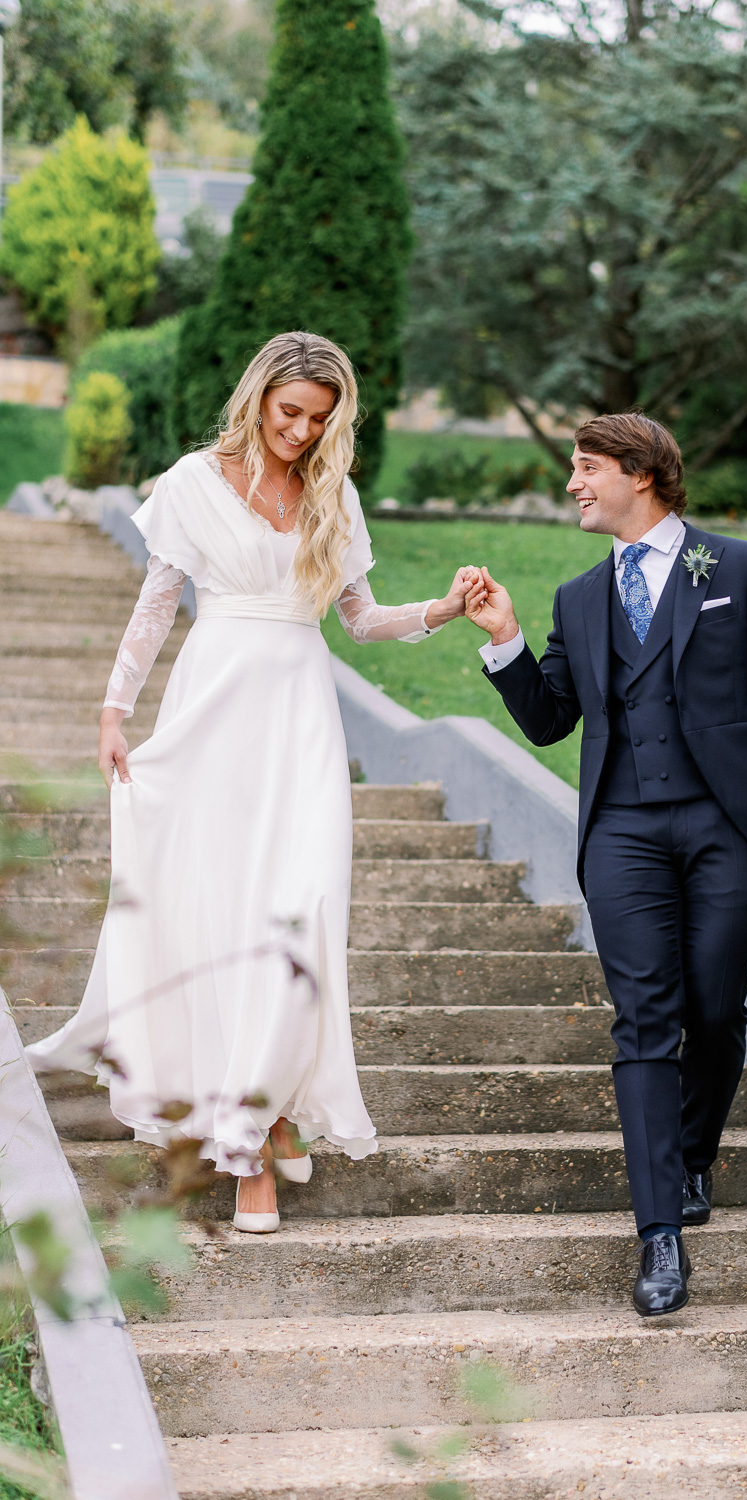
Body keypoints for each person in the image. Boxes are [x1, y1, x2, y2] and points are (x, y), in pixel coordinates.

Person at [27, 331, 478, 1234]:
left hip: (299, 718)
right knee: (216, 913)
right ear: (259, 397)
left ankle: (268, 1116)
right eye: (290, 413)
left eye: (319, 419)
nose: (303, 433)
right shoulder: (194, 481)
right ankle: (251, 1137)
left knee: (298, 916)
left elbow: (358, 618)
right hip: (213, 711)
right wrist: (116, 711)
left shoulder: (332, 492)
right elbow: (159, 601)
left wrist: (441, 609)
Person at [463, 411, 747, 1316]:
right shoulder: (578, 598)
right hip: (623, 834)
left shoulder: (736, 569)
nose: (572, 484)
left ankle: (693, 1157)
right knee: (644, 1019)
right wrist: (504, 640)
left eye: (585, 468)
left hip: (725, 826)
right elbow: (550, 719)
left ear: (639, 473)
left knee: (715, 1012)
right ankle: (659, 1235)